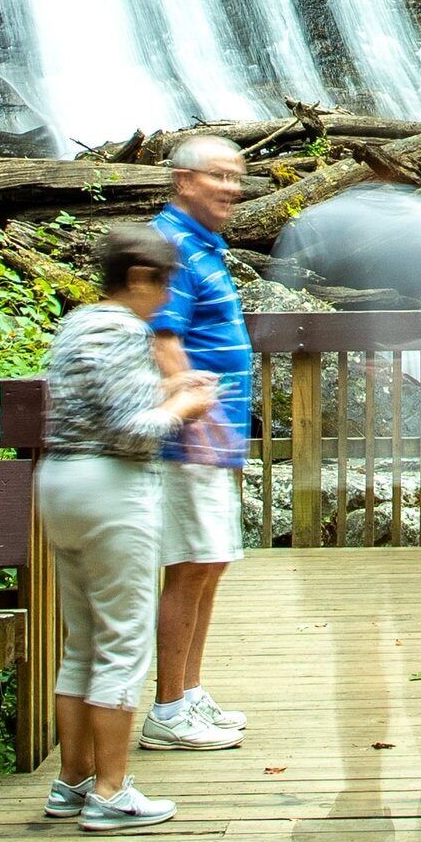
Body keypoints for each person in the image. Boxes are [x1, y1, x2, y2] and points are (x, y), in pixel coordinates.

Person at [36, 225, 220, 831]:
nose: (165, 300)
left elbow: (101, 401)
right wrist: (181, 408)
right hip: (112, 491)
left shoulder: (77, 325)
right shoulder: (125, 330)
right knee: (121, 643)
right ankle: (112, 791)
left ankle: (73, 781)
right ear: (139, 277)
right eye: (162, 285)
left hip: (61, 482)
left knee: (82, 643)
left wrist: (167, 385)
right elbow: (130, 430)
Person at [142, 133, 255, 750]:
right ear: (184, 180)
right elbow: (163, 339)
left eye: (238, 177)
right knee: (190, 566)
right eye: (219, 175)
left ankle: (188, 691)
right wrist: (197, 418)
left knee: (209, 562)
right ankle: (166, 710)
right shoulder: (173, 245)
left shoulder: (203, 244)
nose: (232, 188)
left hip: (215, 436)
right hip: (192, 439)